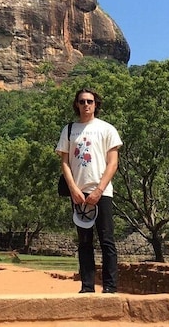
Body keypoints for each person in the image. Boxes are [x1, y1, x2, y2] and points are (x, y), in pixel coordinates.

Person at [55, 88, 122, 294]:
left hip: (102, 193)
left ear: (96, 104)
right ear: (77, 104)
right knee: (84, 242)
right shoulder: (68, 130)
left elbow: (113, 163)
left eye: (90, 101)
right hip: (78, 193)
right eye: (82, 101)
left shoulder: (107, 129)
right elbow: (65, 163)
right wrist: (74, 189)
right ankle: (87, 287)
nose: (86, 105)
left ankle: (110, 287)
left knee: (107, 240)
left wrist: (99, 190)